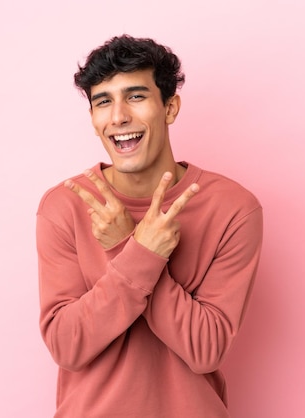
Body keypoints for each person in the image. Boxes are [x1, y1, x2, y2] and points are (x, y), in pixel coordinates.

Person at [36, 34, 263, 418]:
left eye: (136, 96)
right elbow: (68, 345)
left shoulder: (233, 209)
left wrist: (127, 247)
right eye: (103, 101)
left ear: (170, 107)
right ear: (93, 119)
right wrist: (141, 252)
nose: (119, 116)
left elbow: (205, 349)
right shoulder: (64, 206)